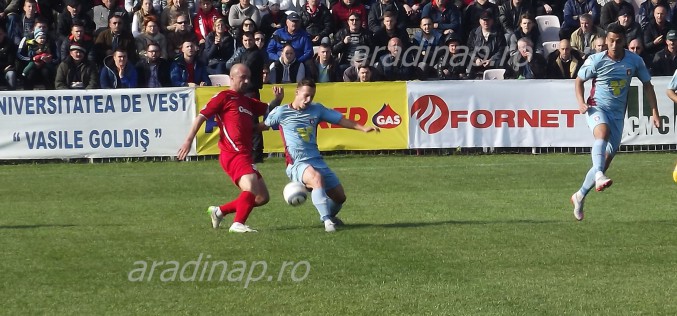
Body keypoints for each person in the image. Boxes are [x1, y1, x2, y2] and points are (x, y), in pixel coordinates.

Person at [177, 64, 284, 233]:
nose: (247, 81)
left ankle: (219, 211)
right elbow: (201, 117)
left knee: (262, 197)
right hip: (233, 152)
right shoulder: (224, 96)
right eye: (243, 77)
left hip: (245, 154)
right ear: (232, 78)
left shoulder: (248, 101)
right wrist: (188, 141)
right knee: (250, 187)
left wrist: (277, 100)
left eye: (248, 77)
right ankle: (238, 223)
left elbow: (269, 111)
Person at [262, 78, 380, 232]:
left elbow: (341, 120)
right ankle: (327, 222)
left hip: (317, 160)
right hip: (296, 164)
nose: (308, 99)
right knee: (316, 178)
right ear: (296, 92)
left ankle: (326, 213)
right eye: (305, 95)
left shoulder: (317, 109)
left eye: (311, 96)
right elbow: (261, 126)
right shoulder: (282, 112)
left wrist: (363, 128)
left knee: (339, 198)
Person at [571, 24, 661, 221]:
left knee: (604, 161)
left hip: (618, 115)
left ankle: (579, 195)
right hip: (596, 108)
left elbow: (647, 85)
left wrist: (655, 112)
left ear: (624, 41)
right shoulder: (596, 60)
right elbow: (578, 81)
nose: (613, 44)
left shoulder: (634, 60)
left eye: (618, 41)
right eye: (610, 40)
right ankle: (598, 177)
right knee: (601, 134)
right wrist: (580, 102)